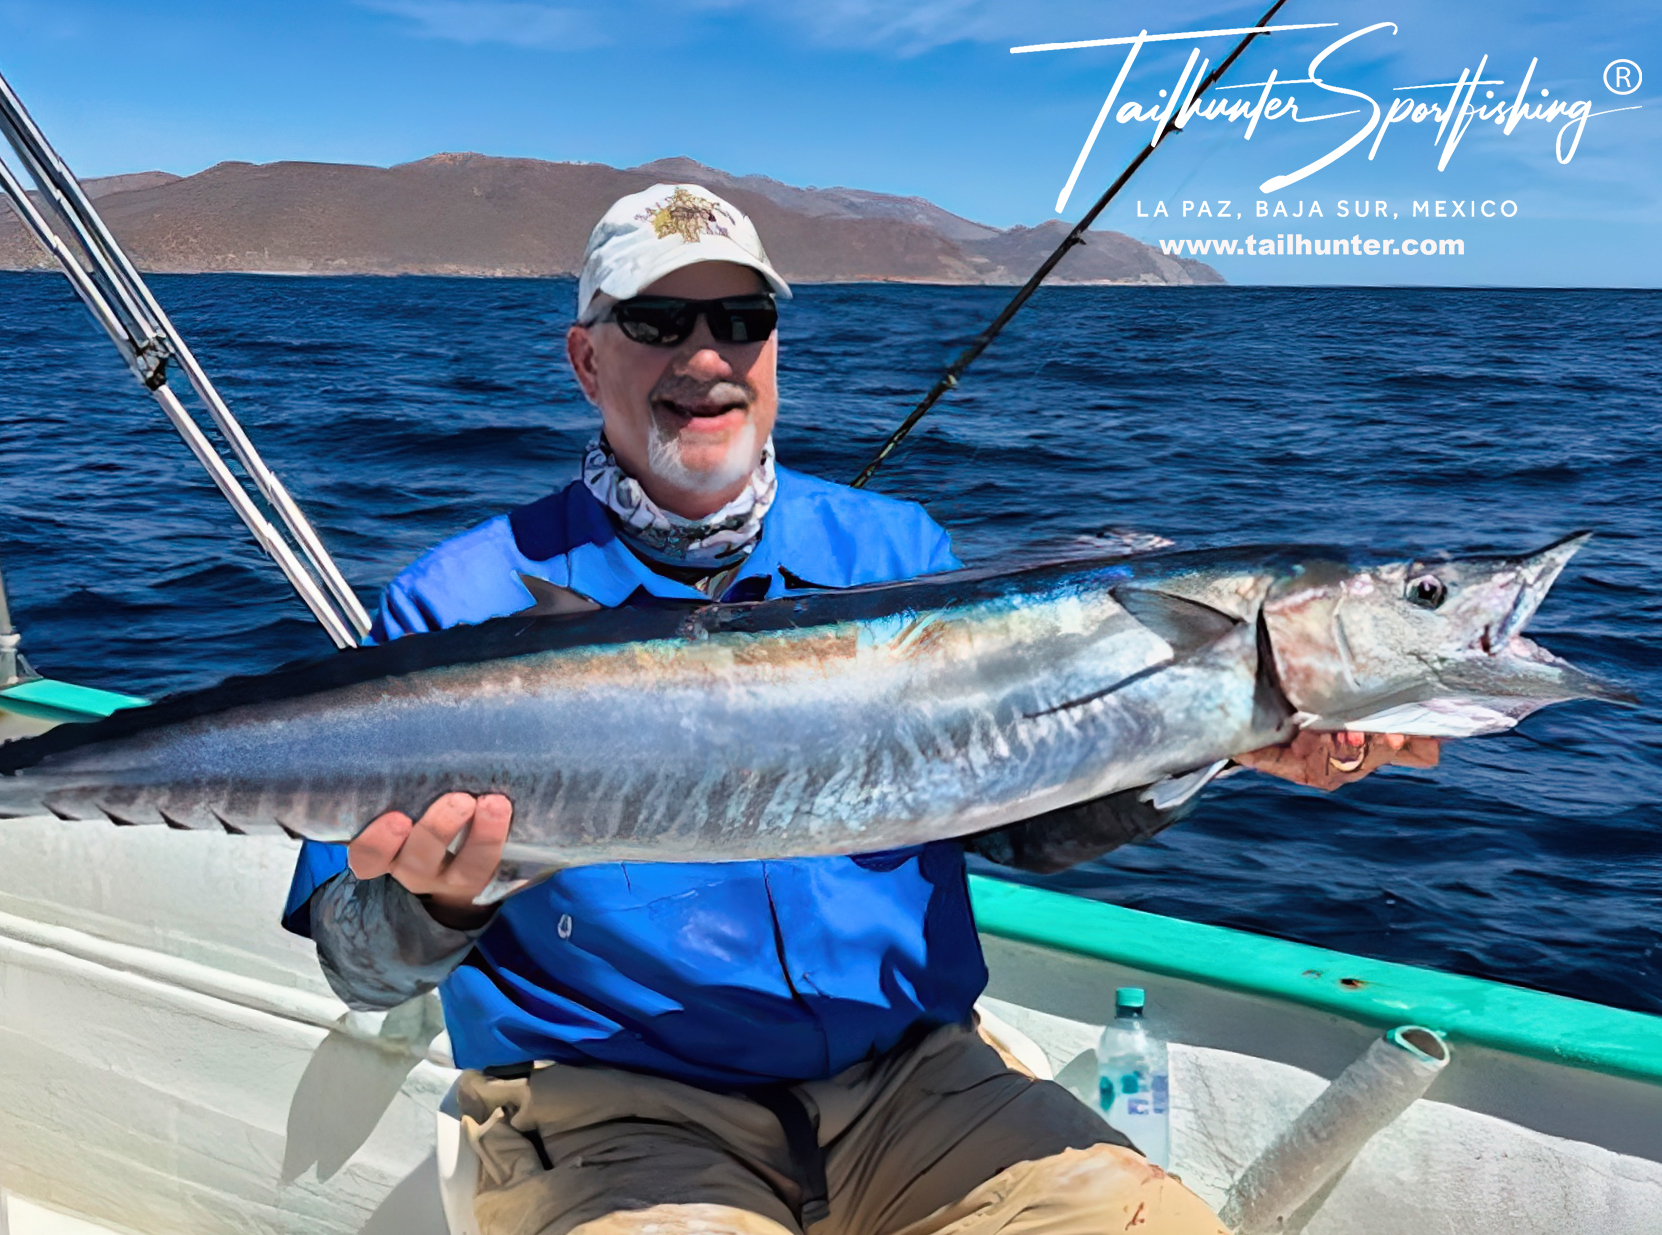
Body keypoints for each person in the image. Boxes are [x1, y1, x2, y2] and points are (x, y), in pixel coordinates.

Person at [283, 184, 1438, 1235]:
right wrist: (435, 900)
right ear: (587, 358)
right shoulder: (456, 602)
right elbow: (361, 964)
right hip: (613, 1117)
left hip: (920, 1086)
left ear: (774, 348)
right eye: (657, 321)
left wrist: (1209, 741)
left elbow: (1016, 826)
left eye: (741, 319)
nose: (705, 354)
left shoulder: (895, 551)